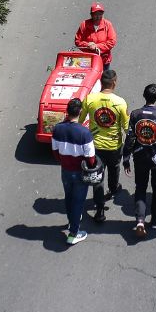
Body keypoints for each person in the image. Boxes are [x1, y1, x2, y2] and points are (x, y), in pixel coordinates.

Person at [122, 84, 156, 237]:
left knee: (140, 188)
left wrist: (126, 159)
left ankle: (139, 221)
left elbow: (130, 139)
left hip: (140, 158)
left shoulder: (136, 114)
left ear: (144, 96)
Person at [78, 68, 128, 224]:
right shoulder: (120, 102)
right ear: (114, 83)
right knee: (114, 168)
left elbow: (79, 121)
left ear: (100, 82)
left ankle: (99, 211)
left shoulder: (90, 99)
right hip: (114, 146)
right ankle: (113, 189)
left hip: (95, 146)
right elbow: (126, 127)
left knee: (97, 178)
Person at [50, 97, 97, 244]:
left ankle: (72, 221)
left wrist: (64, 162)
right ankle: (73, 233)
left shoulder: (57, 129)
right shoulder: (85, 133)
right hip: (80, 172)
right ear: (81, 112)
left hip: (65, 170)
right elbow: (91, 158)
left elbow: (55, 152)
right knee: (78, 201)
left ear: (67, 112)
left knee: (69, 198)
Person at [74, 2, 117, 66]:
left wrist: (97, 46)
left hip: (103, 60)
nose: (98, 17)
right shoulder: (84, 24)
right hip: (88, 60)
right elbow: (78, 41)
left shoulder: (107, 24)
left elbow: (112, 42)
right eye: (95, 14)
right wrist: (88, 45)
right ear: (91, 15)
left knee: (106, 75)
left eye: (100, 14)